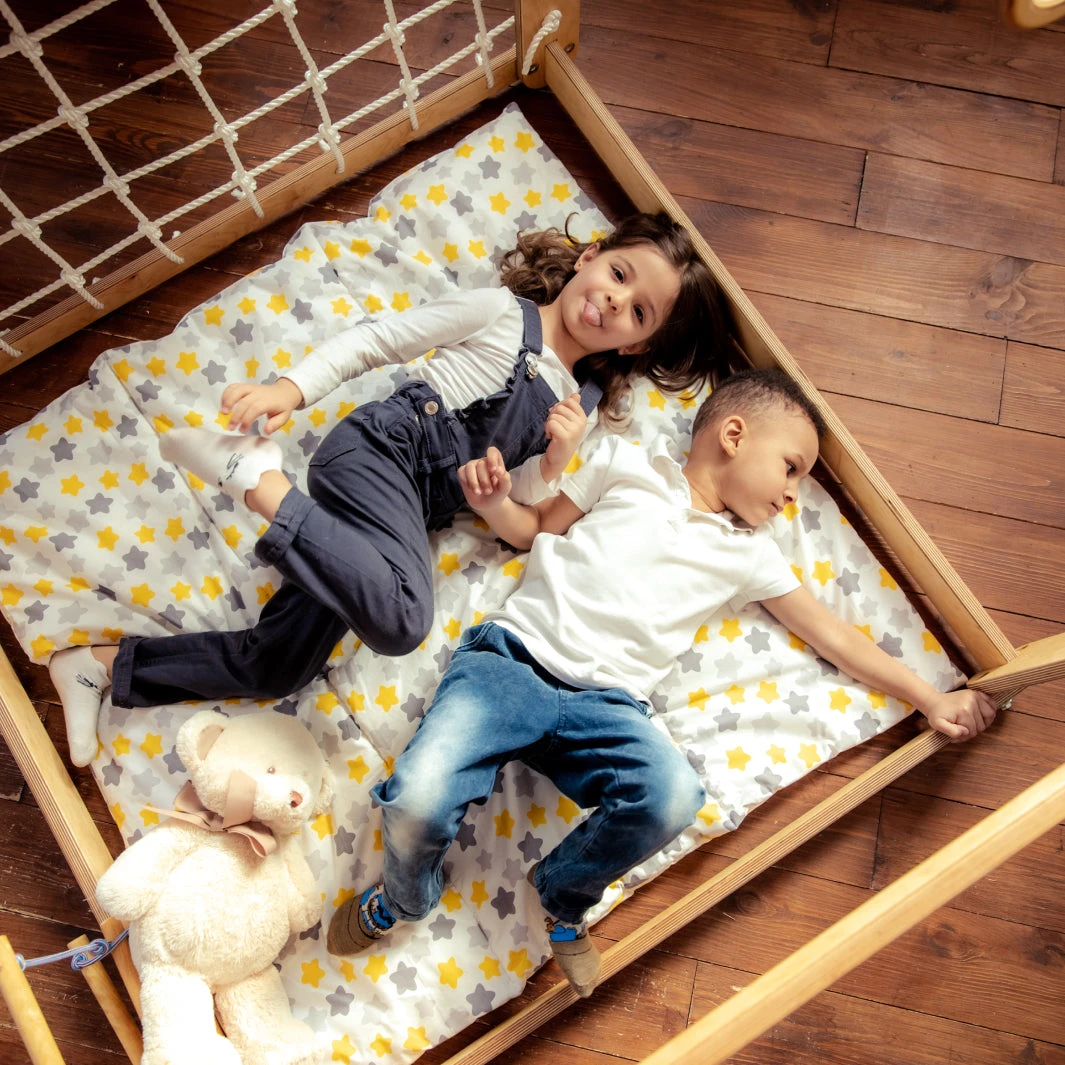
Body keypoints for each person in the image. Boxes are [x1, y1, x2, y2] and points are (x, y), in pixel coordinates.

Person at [325, 367, 998, 998]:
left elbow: (836, 636)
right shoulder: (625, 465)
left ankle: (562, 891)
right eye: (790, 468)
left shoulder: (749, 554)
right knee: (416, 797)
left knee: (673, 794)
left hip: (608, 706)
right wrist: (498, 501)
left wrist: (931, 696)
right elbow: (532, 531)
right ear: (732, 435)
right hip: (513, 660)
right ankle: (406, 895)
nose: (793, 495)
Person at [48, 211, 733, 767]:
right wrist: (287, 390)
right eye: (618, 274)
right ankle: (261, 485)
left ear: (638, 345)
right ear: (589, 256)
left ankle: (102, 667)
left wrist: (551, 460)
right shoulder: (500, 313)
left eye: (638, 312)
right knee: (405, 619)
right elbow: (378, 340)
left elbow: (515, 501)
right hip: (380, 452)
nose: (614, 301)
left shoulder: (577, 406)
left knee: (279, 665)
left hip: (406, 513)